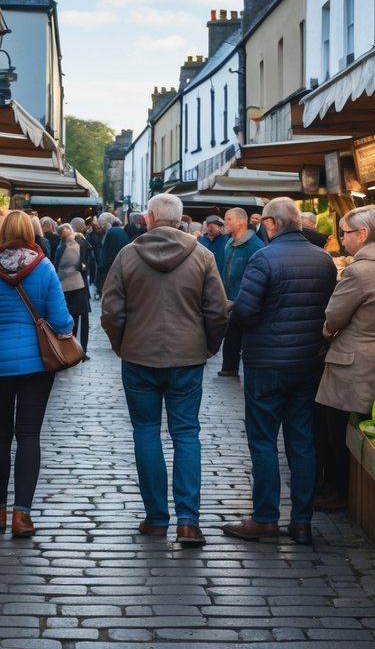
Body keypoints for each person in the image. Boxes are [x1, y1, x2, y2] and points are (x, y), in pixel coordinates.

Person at [101, 194, 229, 548]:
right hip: (187, 359)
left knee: (146, 432)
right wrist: (208, 346)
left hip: (139, 357)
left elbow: (111, 311)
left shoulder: (127, 255)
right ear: (181, 218)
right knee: (186, 433)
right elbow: (218, 311)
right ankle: (188, 521)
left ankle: (157, 518)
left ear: (150, 218)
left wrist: (121, 343)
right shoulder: (202, 255)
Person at [223, 197, 336, 545]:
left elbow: (245, 312)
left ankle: (265, 517)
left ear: (271, 224)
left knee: (263, 440)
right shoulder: (324, 261)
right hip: (308, 363)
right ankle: (301, 522)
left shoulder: (264, 258)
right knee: (301, 441)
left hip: (267, 363)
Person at [0, 210, 72, 537]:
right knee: (28, 435)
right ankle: (22, 516)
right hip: (37, 365)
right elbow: (63, 322)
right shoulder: (46, 269)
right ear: (31, 233)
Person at [314, 205, 375, 510]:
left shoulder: (359, 270)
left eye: (345, 233)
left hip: (353, 365)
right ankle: (364, 498)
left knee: (336, 432)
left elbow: (334, 315)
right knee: (374, 432)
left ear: (362, 234)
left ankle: (337, 492)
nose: (342, 239)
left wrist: (329, 330)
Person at [217, 208, 265, 378]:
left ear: (241, 222)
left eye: (229, 219)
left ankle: (236, 367)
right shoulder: (228, 244)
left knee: (242, 335)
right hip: (230, 298)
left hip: (246, 299)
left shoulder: (256, 247)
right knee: (231, 335)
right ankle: (229, 367)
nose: (225, 222)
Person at [55, 222, 93, 358]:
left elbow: (58, 266)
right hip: (79, 285)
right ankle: (81, 350)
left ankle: (71, 349)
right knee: (81, 319)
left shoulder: (62, 246)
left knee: (71, 319)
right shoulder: (80, 243)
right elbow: (88, 262)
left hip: (65, 286)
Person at [97, 212, 129, 292]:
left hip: (114, 275)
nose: (100, 227)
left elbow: (110, 256)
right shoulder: (120, 231)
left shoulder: (112, 233)